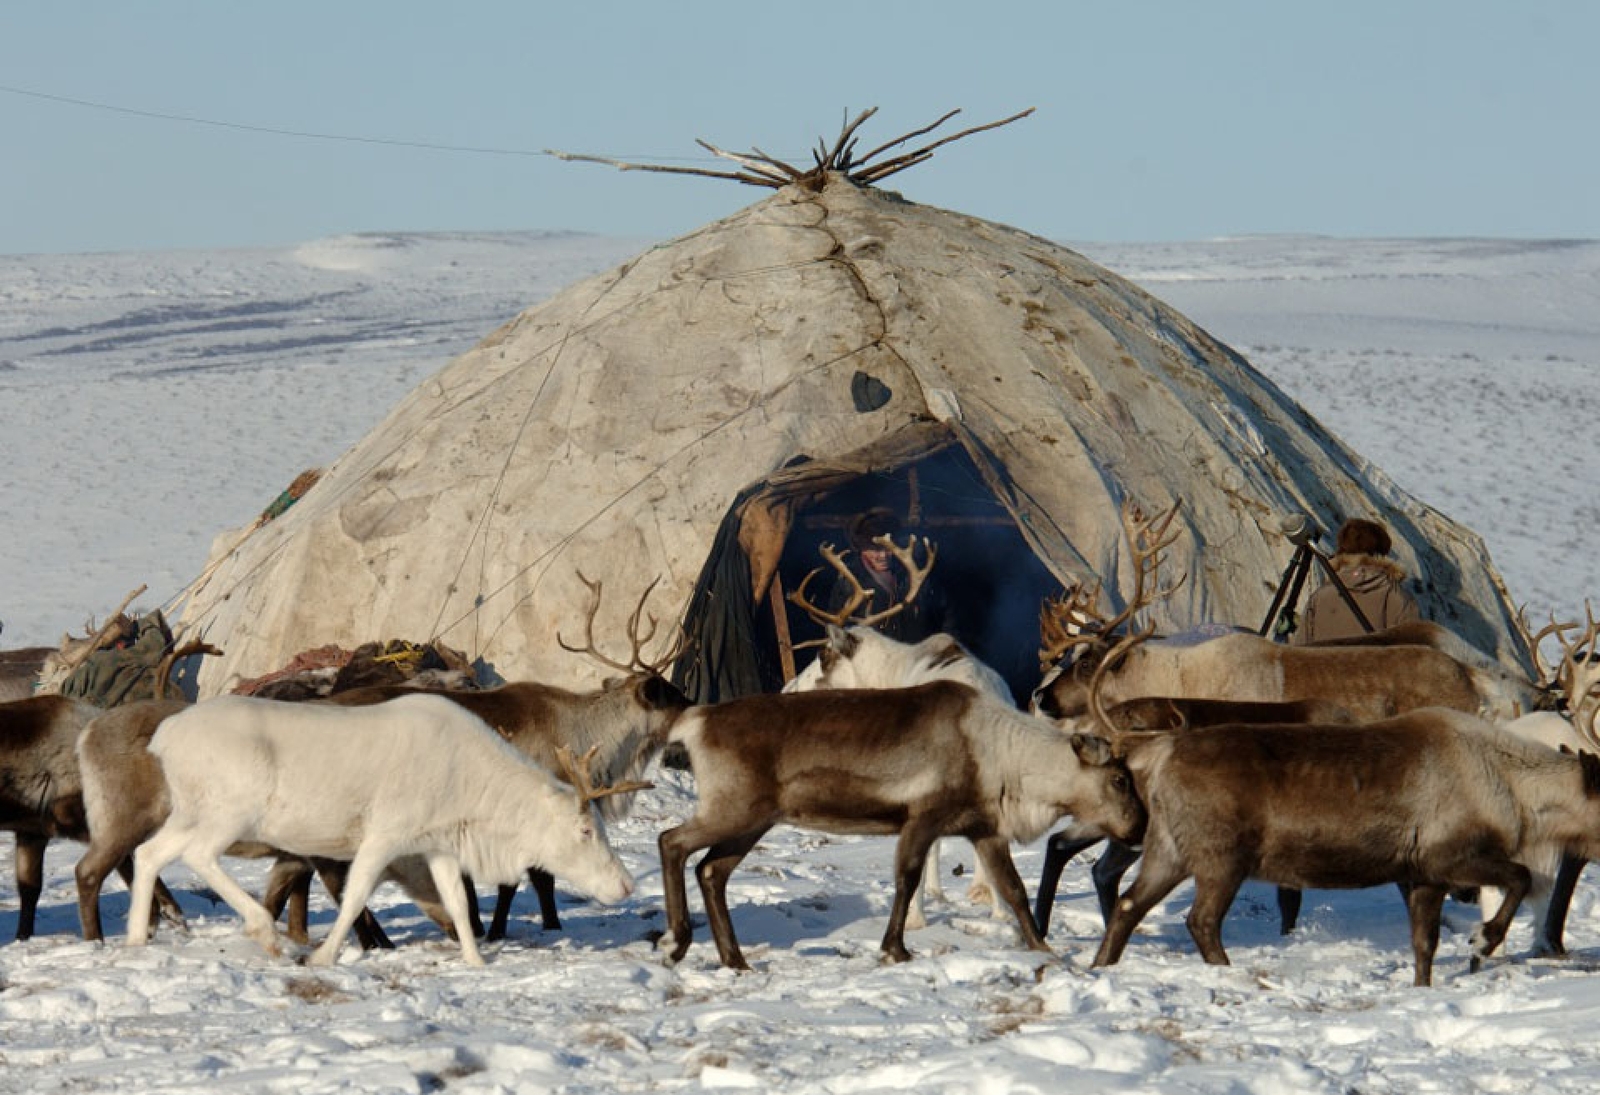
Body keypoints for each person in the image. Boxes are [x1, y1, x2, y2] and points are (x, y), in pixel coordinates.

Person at [825, 507, 953, 643]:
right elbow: (836, 634)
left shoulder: (917, 576)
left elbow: (946, 616)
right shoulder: (847, 586)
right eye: (874, 549)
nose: (883, 556)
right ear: (861, 549)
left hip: (916, 658)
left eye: (888, 549)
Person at [1292, 517, 1421, 644]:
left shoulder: (1319, 598)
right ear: (1382, 553)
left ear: (1342, 549)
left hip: (1324, 665)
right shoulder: (1397, 597)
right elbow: (1414, 654)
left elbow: (1299, 653)